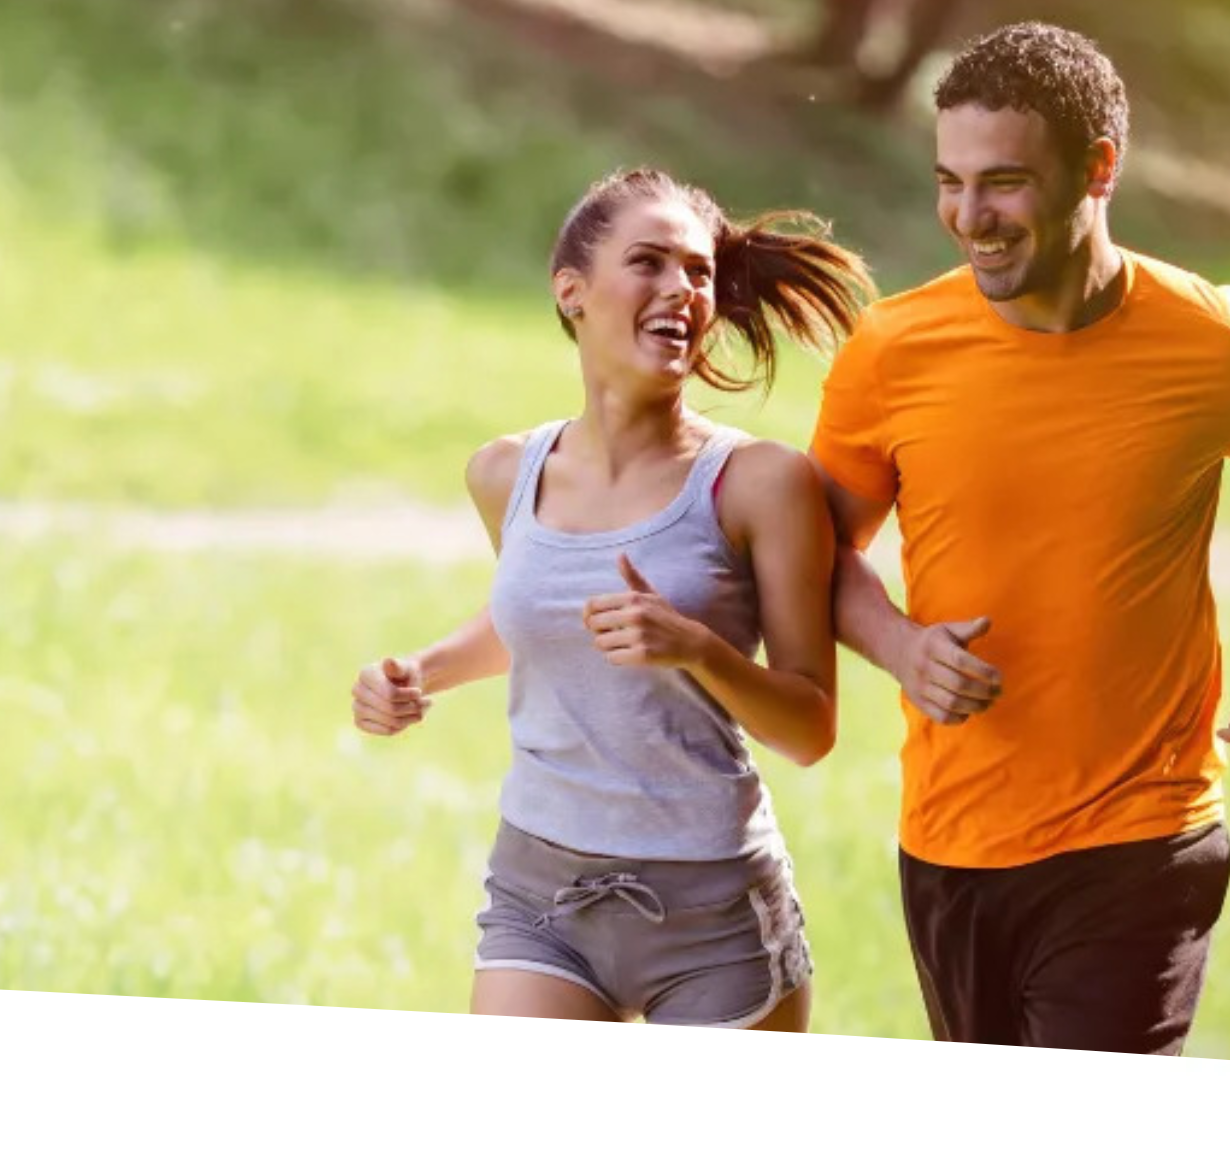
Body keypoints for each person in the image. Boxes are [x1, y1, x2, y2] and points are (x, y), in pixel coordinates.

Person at [808, 22, 1230, 1054]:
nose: (971, 218)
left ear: (1098, 168)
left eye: (1005, 183)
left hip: (1144, 838)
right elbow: (814, 551)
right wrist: (899, 646)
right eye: (951, 182)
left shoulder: (1225, 343)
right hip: (951, 839)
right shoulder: (893, 352)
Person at [351, 167, 874, 1029]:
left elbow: (810, 729)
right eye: (649, 262)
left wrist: (697, 648)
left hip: (714, 918)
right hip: (542, 893)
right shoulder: (505, 473)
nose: (682, 289)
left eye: (700, 273)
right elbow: (540, 620)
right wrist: (420, 670)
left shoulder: (757, 483)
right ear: (572, 292)